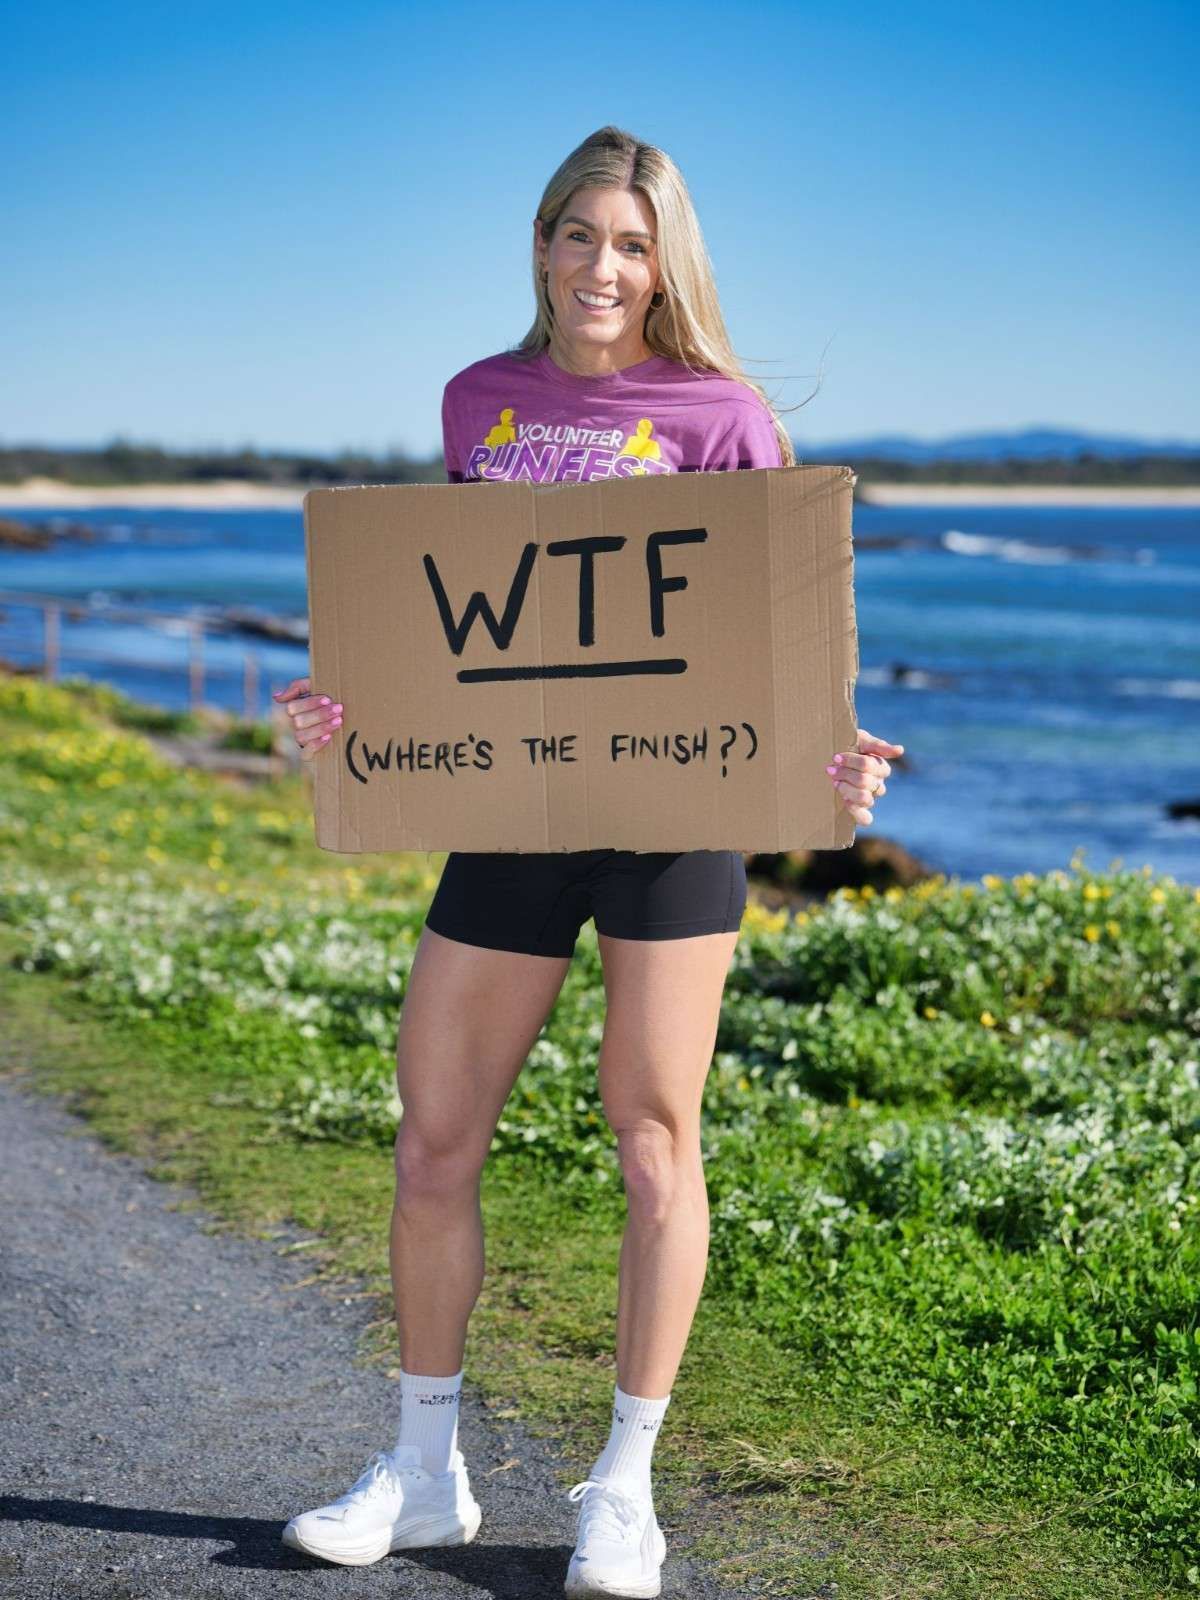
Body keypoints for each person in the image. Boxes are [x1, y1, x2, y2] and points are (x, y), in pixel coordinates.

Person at [276, 124, 903, 1598]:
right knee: (434, 1141)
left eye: (631, 244)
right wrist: (351, 716)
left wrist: (830, 756)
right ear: (542, 246)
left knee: (654, 1142)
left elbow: (773, 633)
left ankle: (624, 1489)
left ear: (665, 263)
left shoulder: (724, 414)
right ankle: (423, 1474)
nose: (601, 268)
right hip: (512, 816)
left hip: (675, 824)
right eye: (578, 236)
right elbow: (450, 618)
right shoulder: (477, 401)